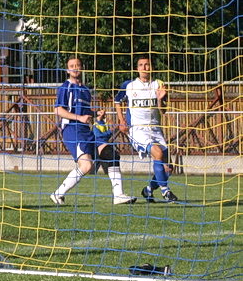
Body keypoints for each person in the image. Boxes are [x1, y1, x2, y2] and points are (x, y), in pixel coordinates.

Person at [49, 57, 135, 206]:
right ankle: (58, 194)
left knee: (110, 154)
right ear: (67, 70)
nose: (75, 68)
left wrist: (96, 114)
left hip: (86, 131)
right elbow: (58, 110)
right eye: (72, 66)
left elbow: (85, 113)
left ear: (82, 68)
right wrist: (79, 118)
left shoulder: (85, 90)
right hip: (72, 130)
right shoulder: (66, 87)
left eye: (78, 65)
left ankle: (119, 195)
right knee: (87, 166)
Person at [115, 55, 178, 203]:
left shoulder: (158, 84)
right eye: (141, 65)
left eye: (147, 64)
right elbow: (117, 101)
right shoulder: (129, 85)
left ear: (152, 67)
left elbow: (163, 111)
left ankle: (148, 190)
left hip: (156, 130)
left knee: (168, 168)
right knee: (157, 152)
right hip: (138, 130)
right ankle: (166, 191)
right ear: (137, 69)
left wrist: (160, 98)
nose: (144, 67)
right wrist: (121, 120)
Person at [92, 108, 134, 202]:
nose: (104, 113)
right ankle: (118, 194)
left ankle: (118, 193)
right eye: (101, 111)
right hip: (101, 148)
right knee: (113, 159)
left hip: (106, 146)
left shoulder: (104, 124)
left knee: (115, 158)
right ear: (98, 114)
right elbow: (98, 136)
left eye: (104, 111)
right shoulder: (96, 125)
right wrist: (110, 131)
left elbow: (107, 135)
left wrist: (113, 130)